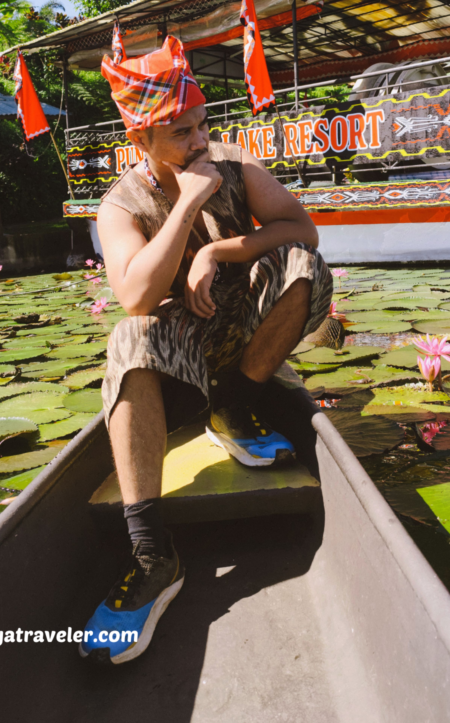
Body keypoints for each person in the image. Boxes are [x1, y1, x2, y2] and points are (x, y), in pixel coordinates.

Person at [80, 36, 333, 665]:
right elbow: (136, 297)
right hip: (180, 361)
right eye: (179, 133)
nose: (199, 143)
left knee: (302, 264)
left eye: (201, 126)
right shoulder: (121, 206)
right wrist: (188, 201)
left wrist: (224, 250)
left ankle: (237, 407)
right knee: (128, 336)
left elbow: (304, 230)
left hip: (240, 337)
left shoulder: (236, 166)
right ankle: (152, 555)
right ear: (141, 140)